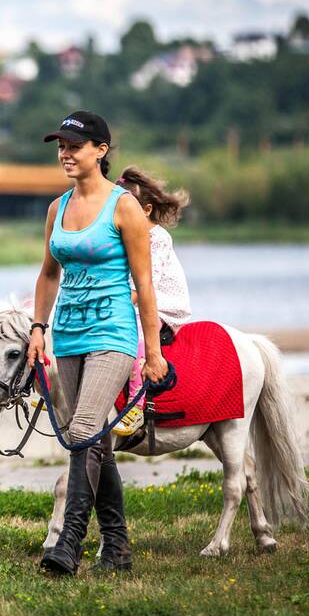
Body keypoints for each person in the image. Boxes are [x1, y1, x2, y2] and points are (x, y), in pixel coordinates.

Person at [29, 111, 168, 576]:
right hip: (67, 333)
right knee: (92, 440)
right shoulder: (57, 208)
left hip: (113, 332)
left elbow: (145, 285)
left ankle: (68, 542)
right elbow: (49, 274)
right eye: (61, 147)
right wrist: (37, 328)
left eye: (74, 146)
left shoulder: (124, 206)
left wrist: (154, 353)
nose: (65, 154)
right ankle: (118, 545)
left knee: (85, 426)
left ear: (101, 151)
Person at [112, 167, 192, 436]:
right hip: (134, 303)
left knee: (134, 335)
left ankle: (136, 405)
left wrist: (113, 305)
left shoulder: (157, 238)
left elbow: (145, 285)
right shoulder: (123, 237)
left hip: (164, 307)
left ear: (146, 210)